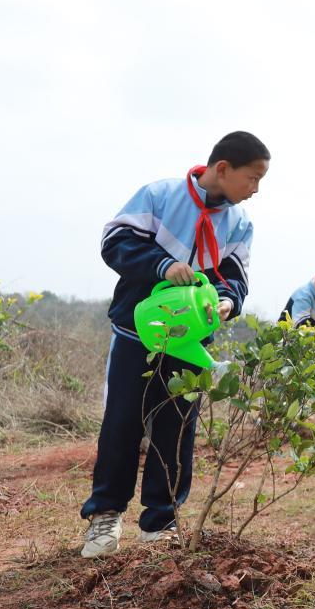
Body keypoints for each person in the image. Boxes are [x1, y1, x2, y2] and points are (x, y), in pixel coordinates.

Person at [81, 131, 268, 558]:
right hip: (137, 334)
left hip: (192, 343)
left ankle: (160, 522)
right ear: (223, 169)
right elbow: (115, 244)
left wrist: (227, 301)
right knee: (122, 425)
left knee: (177, 430)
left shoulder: (239, 223)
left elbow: (235, 277)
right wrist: (163, 266)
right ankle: (105, 516)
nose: (256, 190)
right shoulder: (159, 196)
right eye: (252, 178)